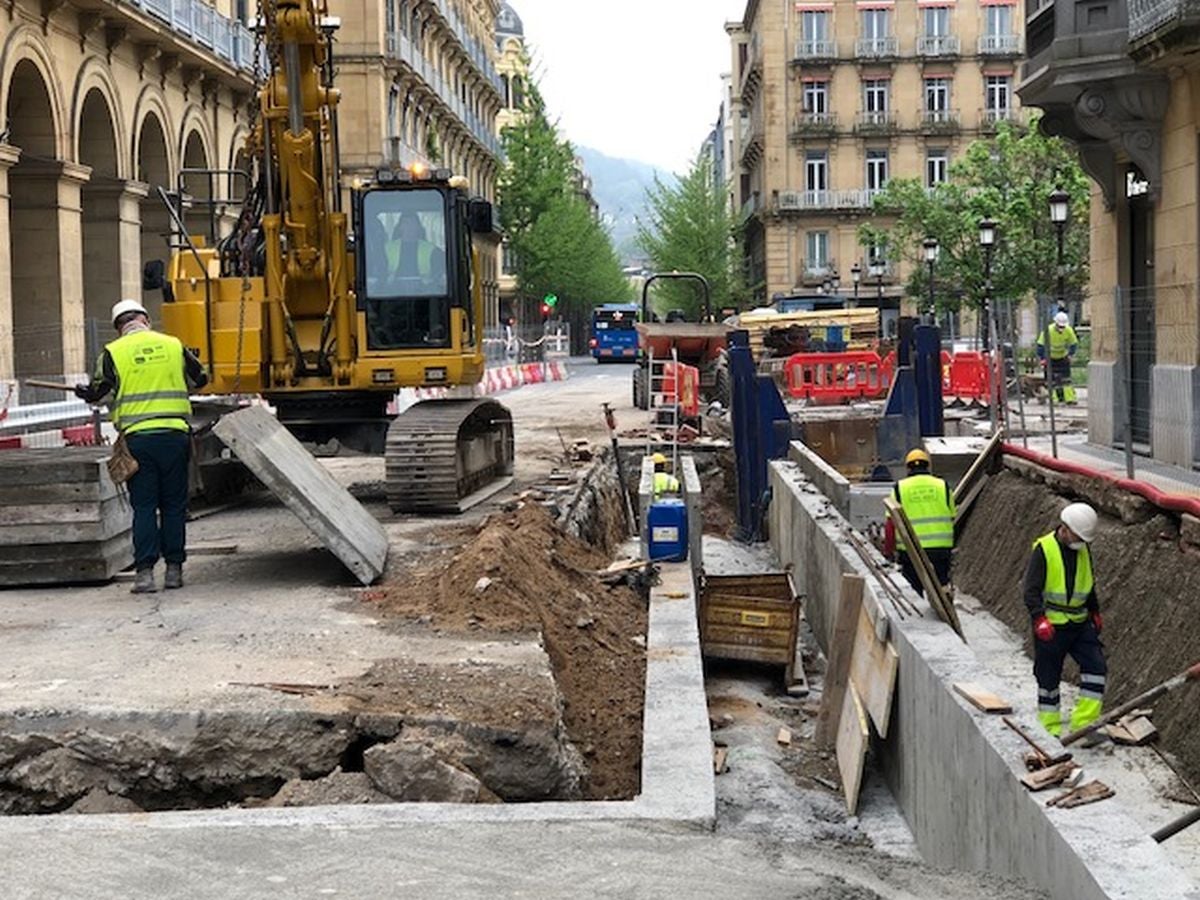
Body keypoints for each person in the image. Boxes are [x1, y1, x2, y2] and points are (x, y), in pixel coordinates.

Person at [75, 300, 208, 594]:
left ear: (118, 326)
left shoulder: (112, 352)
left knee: (144, 507)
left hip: (138, 441)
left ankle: (145, 574)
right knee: (174, 505)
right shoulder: (173, 345)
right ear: (145, 319)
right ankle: (174, 571)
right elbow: (202, 378)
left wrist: (86, 393)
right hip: (174, 437)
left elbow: (98, 391)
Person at [1023, 502, 1106, 738]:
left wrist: (1094, 611)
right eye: (1077, 537)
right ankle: (1049, 730)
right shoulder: (1044, 549)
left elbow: (1088, 583)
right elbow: (1030, 590)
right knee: (1048, 678)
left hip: (1080, 623)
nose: (1080, 543)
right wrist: (1038, 618)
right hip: (1052, 625)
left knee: (1096, 669)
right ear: (1065, 528)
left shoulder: (1082, 547)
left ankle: (1084, 725)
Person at [885, 448, 955, 595]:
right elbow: (952, 517)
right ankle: (944, 605)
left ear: (908, 467)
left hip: (911, 550)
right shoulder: (942, 485)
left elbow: (891, 524)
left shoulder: (899, 489)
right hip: (941, 549)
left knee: (914, 589)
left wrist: (889, 551)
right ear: (927, 466)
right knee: (941, 587)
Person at [1036, 310, 1079, 404]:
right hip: (1050, 358)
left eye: (1063, 326)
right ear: (1055, 323)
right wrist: (1043, 358)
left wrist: (1071, 355)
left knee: (1066, 380)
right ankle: (1054, 399)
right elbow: (1040, 345)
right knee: (1051, 380)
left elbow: (1074, 344)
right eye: (1060, 326)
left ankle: (1069, 399)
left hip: (1063, 357)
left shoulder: (1068, 330)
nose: (1061, 328)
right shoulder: (1048, 330)